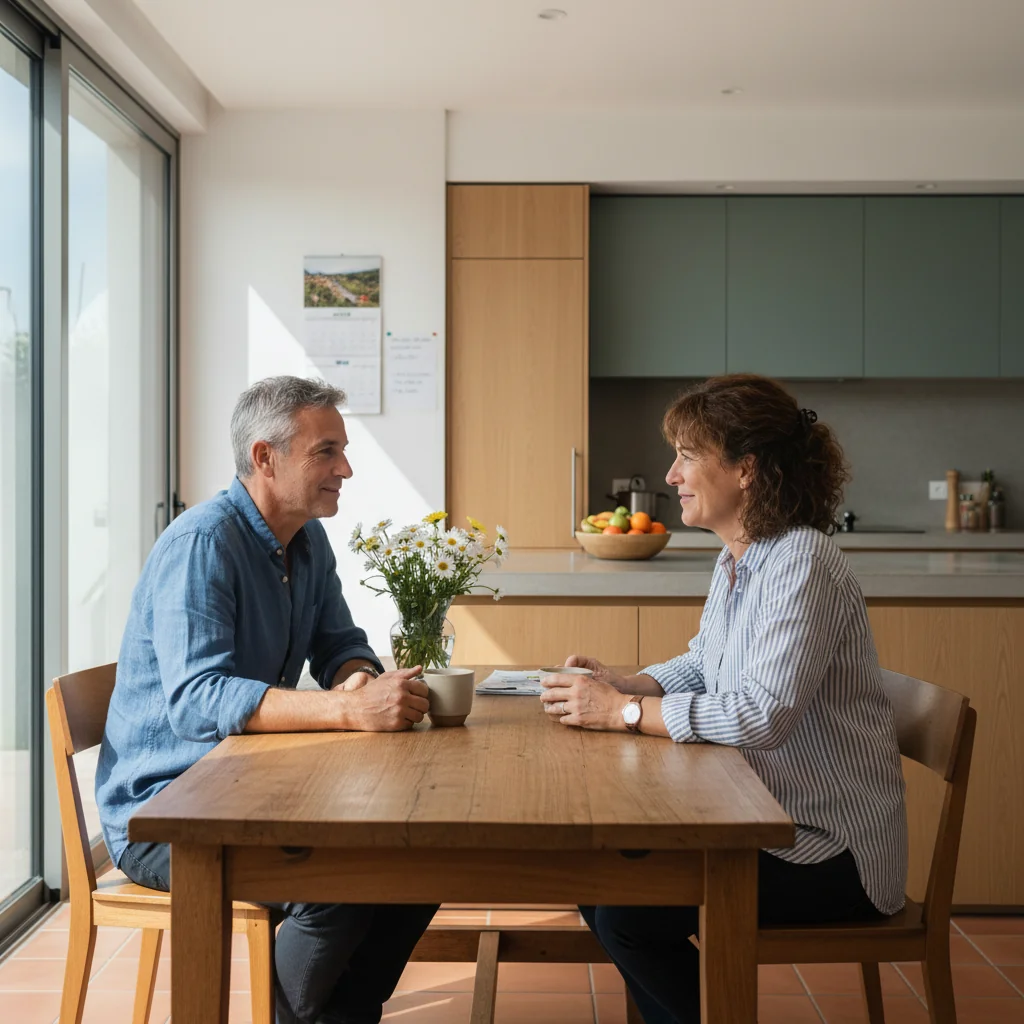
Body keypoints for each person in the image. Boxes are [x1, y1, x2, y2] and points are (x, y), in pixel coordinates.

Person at [540, 373, 908, 1024]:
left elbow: (762, 714)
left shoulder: (802, 561)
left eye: (686, 454)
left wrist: (622, 715)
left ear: (746, 469)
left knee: (624, 907)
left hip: (826, 849)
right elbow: (705, 661)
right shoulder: (742, 557)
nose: (670, 472)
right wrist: (630, 684)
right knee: (603, 888)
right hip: (762, 823)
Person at [96, 376, 437, 1024]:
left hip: (247, 787)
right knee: (339, 880)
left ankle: (339, 1012)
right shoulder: (203, 544)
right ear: (264, 458)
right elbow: (198, 701)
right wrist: (344, 710)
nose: (347, 468)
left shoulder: (306, 540)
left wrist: (360, 677)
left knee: (417, 860)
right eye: (327, 451)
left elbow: (342, 643)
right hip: (167, 813)